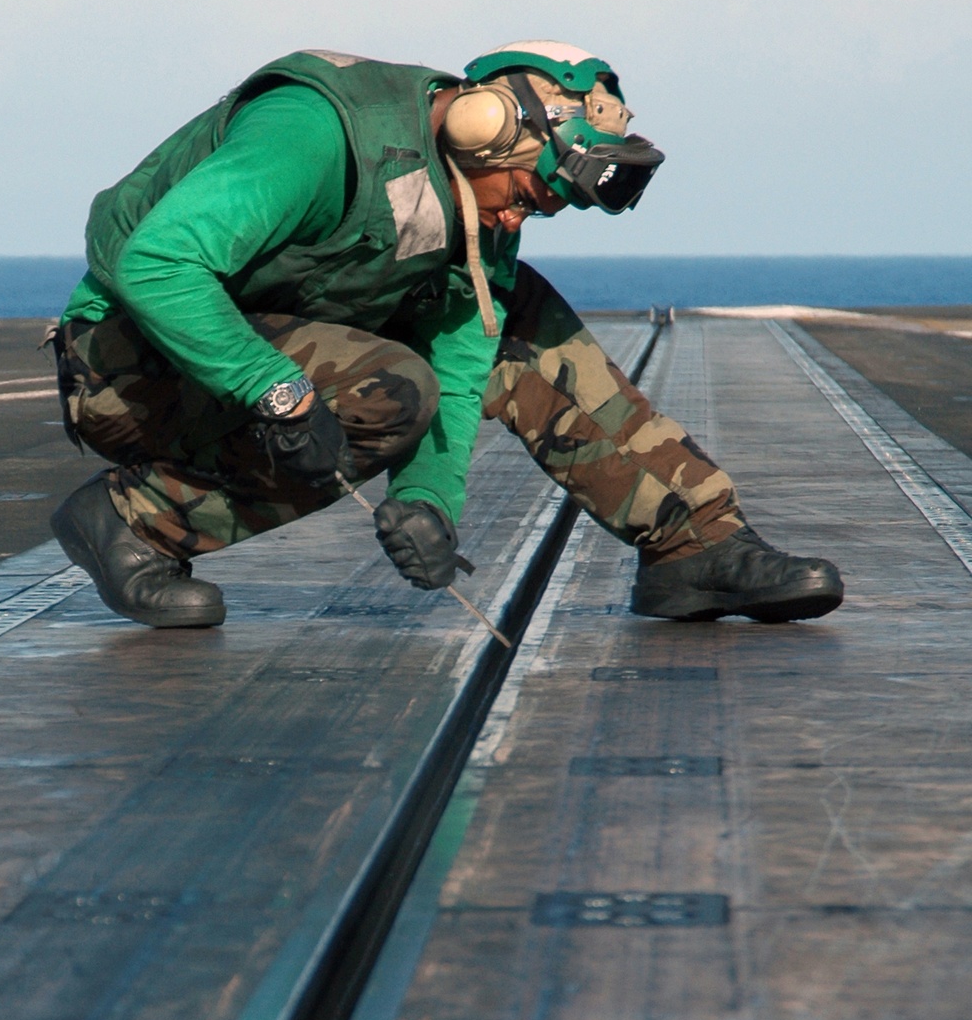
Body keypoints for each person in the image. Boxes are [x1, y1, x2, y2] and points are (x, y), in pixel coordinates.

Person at [49, 41, 843, 628]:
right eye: (527, 196)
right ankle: (135, 522)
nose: (520, 219)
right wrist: (279, 392)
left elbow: (465, 362)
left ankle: (693, 542)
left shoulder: (472, 214)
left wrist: (428, 499)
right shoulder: (316, 131)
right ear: (486, 130)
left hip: (253, 348)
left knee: (518, 319)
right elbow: (156, 265)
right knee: (390, 391)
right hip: (127, 366)